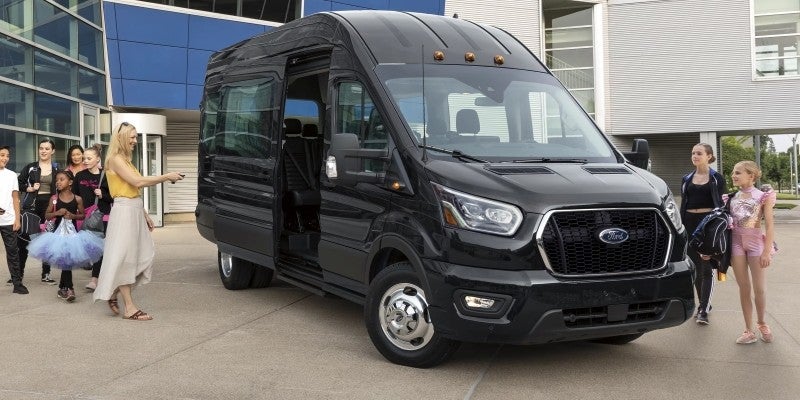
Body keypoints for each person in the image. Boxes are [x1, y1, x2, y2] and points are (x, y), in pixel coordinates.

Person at [93, 122, 184, 320]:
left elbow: (132, 190)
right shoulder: (116, 159)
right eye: (132, 137)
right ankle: (129, 307)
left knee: (143, 254)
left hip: (133, 210)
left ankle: (116, 292)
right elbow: (138, 182)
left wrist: (143, 213)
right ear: (122, 137)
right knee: (126, 258)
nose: (135, 141)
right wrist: (166, 176)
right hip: (124, 212)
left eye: (135, 137)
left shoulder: (125, 160)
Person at [28, 171, 103, 302]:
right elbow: (46, 215)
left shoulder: (77, 198)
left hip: (73, 236)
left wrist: (73, 216)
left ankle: (63, 287)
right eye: (56, 180)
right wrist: (57, 212)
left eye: (61, 179)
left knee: (66, 261)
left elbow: (82, 215)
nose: (58, 182)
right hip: (57, 236)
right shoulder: (54, 199)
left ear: (70, 182)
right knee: (66, 262)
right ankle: (70, 288)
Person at [727, 161, 776, 344]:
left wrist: (766, 251)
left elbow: (770, 225)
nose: (734, 175)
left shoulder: (763, 196)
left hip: (756, 244)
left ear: (751, 176)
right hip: (736, 243)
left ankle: (762, 323)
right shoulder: (731, 197)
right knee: (744, 288)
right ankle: (748, 330)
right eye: (733, 172)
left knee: (759, 289)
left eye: (738, 172)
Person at [680, 143, 726, 325]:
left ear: (709, 156)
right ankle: (704, 304)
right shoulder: (686, 178)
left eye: (699, 153)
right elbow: (684, 204)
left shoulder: (716, 178)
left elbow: (721, 206)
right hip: (689, 225)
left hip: (707, 225)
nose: (695, 156)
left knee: (706, 267)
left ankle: (703, 309)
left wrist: (720, 229)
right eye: (693, 153)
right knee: (695, 268)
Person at [17, 138, 59, 284]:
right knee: (23, 240)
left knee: (47, 240)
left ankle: (46, 274)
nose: (43, 151)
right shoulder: (31, 167)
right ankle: (18, 274)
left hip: (49, 208)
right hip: (32, 207)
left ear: (52, 151)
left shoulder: (56, 170)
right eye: (41, 148)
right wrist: (29, 188)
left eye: (47, 148)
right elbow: (19, 182)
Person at [73, 144, 112, 290]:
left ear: (97, 159)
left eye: (89, 158)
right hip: (85, 217)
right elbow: (74, 196)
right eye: (84, 158)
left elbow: (115, 196)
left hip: (103, 215)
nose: (85, 161)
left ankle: (94, 280)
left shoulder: (107, 175)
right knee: (89, 247)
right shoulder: (80, 176)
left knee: (99, 248)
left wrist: (103, 195)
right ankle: (99, 275)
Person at [0, 146, 28, 294]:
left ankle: (17, 284)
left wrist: (17, 219)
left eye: (7, 156)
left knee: (13, 252)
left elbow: (15, 198)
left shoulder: (11, 175)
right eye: (2, 155)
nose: (5, 158)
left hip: (8, 220)